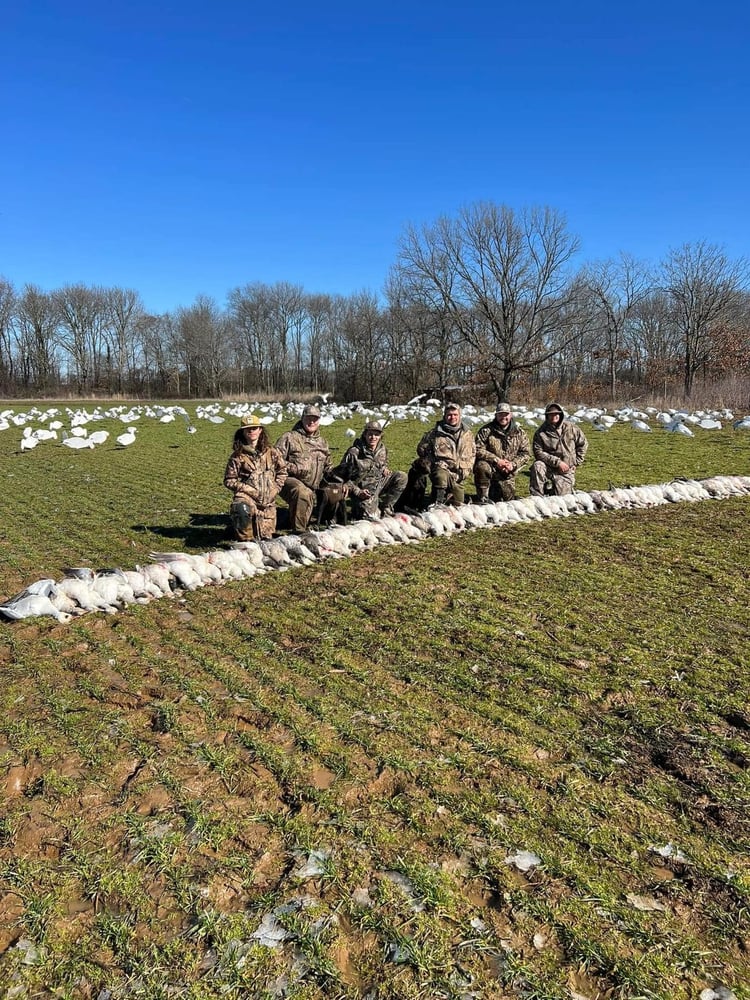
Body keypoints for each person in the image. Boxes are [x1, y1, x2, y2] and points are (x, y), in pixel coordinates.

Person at [224, 415, 288, 540]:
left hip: (267, 501)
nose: (251, 431)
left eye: (254, 428)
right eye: (248, 429)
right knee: (240, 509)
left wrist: (276, 488)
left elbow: (282, 471)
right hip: (247, 498)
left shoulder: (272, 452)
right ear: (242, 432)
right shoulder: (237, 456)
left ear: (260, 430)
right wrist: (247, 489)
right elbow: (229, 480)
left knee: (265, 538)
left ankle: (235, 529)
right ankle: (244, 538)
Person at [332, 421, 407, 520]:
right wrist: (358, 492)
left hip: (378, 484)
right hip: (361, 490)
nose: (373, 437)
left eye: (376, 435)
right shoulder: (354, 452)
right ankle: (358, 509)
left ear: (380, 436)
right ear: (365, 434)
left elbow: (383, 463)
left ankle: (386, 507)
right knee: (370, 517)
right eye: (370, 434)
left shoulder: (382, 449)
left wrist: (384, 468)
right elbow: (343, 479)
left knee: (401, 477)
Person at [275, 404, 333, 532]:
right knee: (302, 493)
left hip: (314, 484)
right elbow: (274, 461)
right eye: (308, 418)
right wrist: (294, 468)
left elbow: (328, 466)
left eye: (315, 419)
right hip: (290, 481)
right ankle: (299, 533)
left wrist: (339, 481)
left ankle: (328, 521)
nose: (311, 422)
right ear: (302, 418)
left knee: (335, 491)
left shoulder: (322, 442)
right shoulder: (289, 437)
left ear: (319, 421)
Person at [408, 402, 476, 507]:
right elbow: (421, 450)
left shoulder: (468, 434)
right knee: (440, 475)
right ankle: (437, 502)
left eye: (455, 415)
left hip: (459, 475)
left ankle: (446, 497)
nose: (452, 417)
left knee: (458, 504)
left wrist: (465, 471)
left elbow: (473, 454)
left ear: (459, 416)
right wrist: (434, 463)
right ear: (444, 416)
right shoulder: (434, 433)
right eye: (449, 415)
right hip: (441, 470)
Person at [474, 402, 531, 502]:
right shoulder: (486, 431)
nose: (503, 417)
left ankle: (496, 492)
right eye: (500, 414)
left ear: (511, 415)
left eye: (506, 414)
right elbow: (477, 449)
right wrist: (496, 460)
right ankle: (483, 497)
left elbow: (526, 453)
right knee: (481, 465)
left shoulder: (520, 433)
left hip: (508, 472)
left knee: (507, 501)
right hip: (491, 468)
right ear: (496, 415)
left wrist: (513, 465)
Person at [529, 402, 588, 496]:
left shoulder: (571, 428)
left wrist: (576, 462)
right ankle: (537, 497)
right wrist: (558, 462)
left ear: (561, 414)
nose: (554, 416)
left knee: (562, 497)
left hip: (566, 469)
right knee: (537, 465)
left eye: (556, 414)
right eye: (550, 414)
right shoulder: (540, 433)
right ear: (547, 416)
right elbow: (538, 453)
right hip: (549, 467)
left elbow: (583, 444)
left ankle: (550, 490)